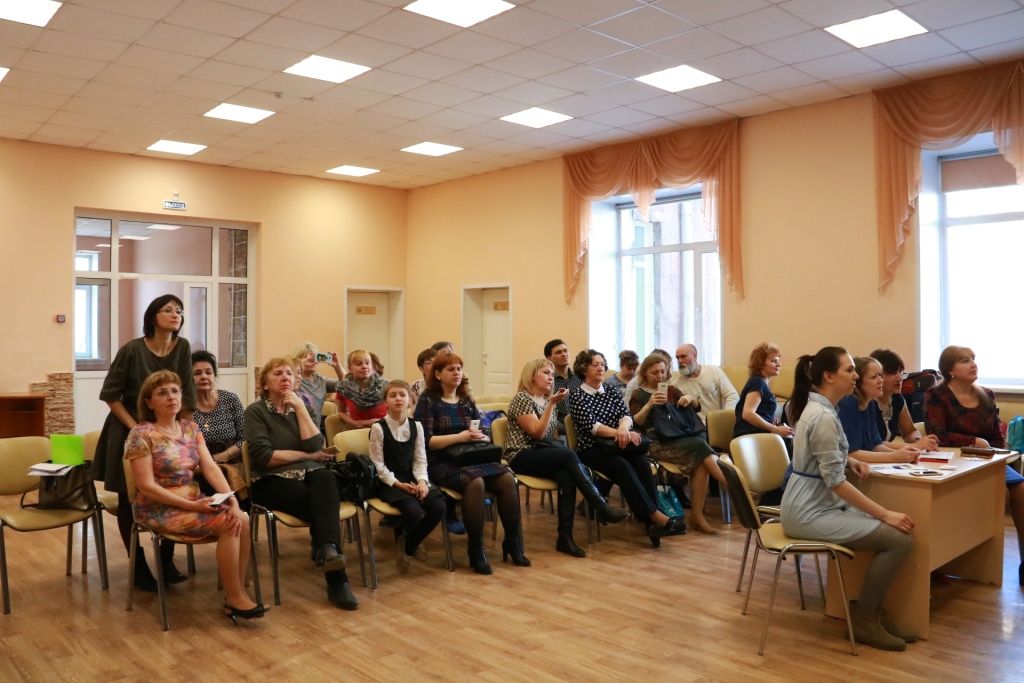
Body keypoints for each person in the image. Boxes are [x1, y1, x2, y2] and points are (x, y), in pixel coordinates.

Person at [782, 347, 916, 651]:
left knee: (898, 535)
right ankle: (865, 616)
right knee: (899, 540)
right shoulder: (824, 416)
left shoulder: (823, 410)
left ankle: (873, 611)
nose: (855, 375)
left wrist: (848, 460)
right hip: (808, 511)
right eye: (849, 370)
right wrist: (885, 514)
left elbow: (822, 458)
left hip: (815, 505)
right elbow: (836, 484)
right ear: (829, 377)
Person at [126, 371, 263, 622]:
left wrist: (231, 500)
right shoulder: (140, 434)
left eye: (175, 391)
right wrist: (193, 505)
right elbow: (145, 486)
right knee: (229, 524)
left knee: (241, 518)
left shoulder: (190, 428)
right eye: (162, 392)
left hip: (193, 501)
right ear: (149, 402)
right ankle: (235, 598)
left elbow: (210, 468)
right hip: (157, 507)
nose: (171, 397)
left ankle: (238, 594)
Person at [92, 294, 195, 592]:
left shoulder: (183, 347)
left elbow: (186, 395)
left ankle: (165, 560)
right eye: (168, 310)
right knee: (129, 498)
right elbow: (110, 394)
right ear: (152, 317)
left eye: (179, 311)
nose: (175, 314)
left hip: (168, 432)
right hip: (129, 430)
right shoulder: (132, 350)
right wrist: (138, 429)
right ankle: (137, 567)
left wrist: (183, 435)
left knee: (171, 489)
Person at [244, 357, 359, 610]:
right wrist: (308, 456)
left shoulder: (302, 406)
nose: (285, 377)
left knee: (326, 477)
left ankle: (327, 549)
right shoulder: (256, 411)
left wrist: (300, 409)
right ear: (265, 384)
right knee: (323, 503)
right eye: (277, 373)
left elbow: (315, 444)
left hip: (310, 474)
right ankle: (337, 579)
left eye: (289, 373)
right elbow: (265, 457)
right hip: (270, 479)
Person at [413, 351, 528, 574]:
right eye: (451, 369)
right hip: (439, 461)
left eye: (459, 369)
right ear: (438, 374)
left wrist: (480, 437)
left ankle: (512, 543)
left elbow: (482, 430)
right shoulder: (428, 400)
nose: (457, 373)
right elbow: (425, 441)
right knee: (475, 483)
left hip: (469, 456)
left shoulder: (466, 400)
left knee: (507, 478)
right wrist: (460, 437)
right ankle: (476, 549)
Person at [505, 359, 629, 557]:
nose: (550, 377)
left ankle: (565, 537)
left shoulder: (548, 401)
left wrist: (551, 404)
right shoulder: (523, 398)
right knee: (569, 454)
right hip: (521, 455)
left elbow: (551, 437)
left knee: (566, 475)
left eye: (551, 374)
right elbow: (537, 433)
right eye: (545, 373)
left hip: (541, 453)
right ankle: (601, 506)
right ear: (532, 376)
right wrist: (552, 404)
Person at [925, 345, 1024, 587]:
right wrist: (973, 442)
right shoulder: (937, 395)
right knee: (1000, 495)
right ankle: (965, 555)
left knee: (1022, 490)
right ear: (950, 370)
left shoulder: (986, 394)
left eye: (973, 359)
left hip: (986, 459)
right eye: (965, 360)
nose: (973, 364)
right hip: (954, 460)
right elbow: (937, 433)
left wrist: (1000, 453)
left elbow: (995, 435)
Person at [568, 349, 685, 547]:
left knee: (641, 463)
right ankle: (655, 516)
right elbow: (592, 427)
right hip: (591, 448)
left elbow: (626, 416)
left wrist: (623, 429)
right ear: (583, 369)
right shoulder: (578, 396)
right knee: (622, 466)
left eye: (602, 364)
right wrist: (620, 433)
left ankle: (652, 525)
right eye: (595, 365)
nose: (601, 368)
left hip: (617, 444)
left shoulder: (610, 391)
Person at [629, 353, 728, 535]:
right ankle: (730, 485)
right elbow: (636, 422)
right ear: (645, 374)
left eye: (662, 371)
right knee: (700, 445)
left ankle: (697, 516)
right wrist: (649, 405)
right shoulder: (639, 394)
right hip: (653, 442)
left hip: (675, 438)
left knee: (701, 463)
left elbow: (697, 407)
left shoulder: (671, 390)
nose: (659, 376)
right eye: (654, 373)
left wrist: (690, 398)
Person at [369, 380, 446, 574]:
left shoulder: (416, 426)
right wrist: (399, 485)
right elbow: (378, 465)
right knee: (413, 511)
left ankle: (408, 544)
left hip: (412, 476)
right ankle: (407, 538)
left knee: (439, 506)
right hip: (389, 481)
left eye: (402, 395)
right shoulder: (378, 428)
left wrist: (422, 482)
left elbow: (420, 460)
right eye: (392, 395)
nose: (398, 399)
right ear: (385, 402)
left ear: (410, 400)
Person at [836, 357, 921, 464]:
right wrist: (895, 457)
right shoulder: (848, 402)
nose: (881, 380)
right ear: (858, 382)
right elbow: (850, 453)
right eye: (874, 377)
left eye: (880, 375)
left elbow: (875, 445)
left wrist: (905, 454)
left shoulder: (870, 402)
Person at [191, 351, 246, 497]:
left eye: (208, 372)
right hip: (200, 469)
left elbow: (245, 438)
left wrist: (222, 457)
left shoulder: (230, 399)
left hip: (233, 466)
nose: (204, 376)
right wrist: (207, 462)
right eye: (197, 373)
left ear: (214, 376)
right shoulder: (186, 407)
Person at [870, 348, 939, 450]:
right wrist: (913, 446)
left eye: (901, 373)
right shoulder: (867, 401)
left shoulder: (896, 398)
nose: (900, 378)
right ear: (877, 375)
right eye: (893, 373)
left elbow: (909, 432)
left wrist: (920, 441)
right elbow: (871, 443)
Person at [734, 342, 794, 441]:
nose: (779, 364)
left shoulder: (760, 383)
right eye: (773, 361)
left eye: (778, 361)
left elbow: (759, 412)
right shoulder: (758, 382)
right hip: (750, 437)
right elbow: (748, 414)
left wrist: (770, 419)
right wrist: (775, 429)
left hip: (757, 435)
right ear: (761, 364)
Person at [671, 343, 740, 422]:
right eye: (677, 358)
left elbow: (732, 395)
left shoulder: (714, 371)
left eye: (683, 356)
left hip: (719, 422)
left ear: (695, 356)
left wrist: (726, 417)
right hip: (697, 426)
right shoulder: (676, 385)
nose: (679, 361)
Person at [293, 342, 343, 428]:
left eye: (314, 357)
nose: (311, 360)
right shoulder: (293, 379)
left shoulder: (321, 380)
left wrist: (338, 366)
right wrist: (301, 365)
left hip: (314, 429)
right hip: (294, 428)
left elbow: (346, 385)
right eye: (305, 357)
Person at [334, 350, 388, 429]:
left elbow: (396, 413)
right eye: (359, 364)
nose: (364, 366)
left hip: (384, 428)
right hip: (357, 430)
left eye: (367, 363)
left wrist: (378, 421)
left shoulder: (386, 386)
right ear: (350, 368)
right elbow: (342, 411)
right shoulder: (343, 388)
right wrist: (353, 422)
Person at [544, 339, 580, 433]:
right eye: (558, 352)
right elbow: (544, 414)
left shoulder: (580, 377)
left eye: (565, 351)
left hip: (584, 426)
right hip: (559, 431)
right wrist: (569, 430)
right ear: (549, 358)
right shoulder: (547, 382)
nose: (564, 354)